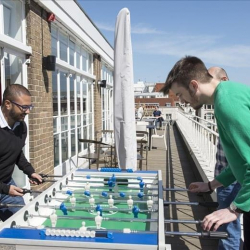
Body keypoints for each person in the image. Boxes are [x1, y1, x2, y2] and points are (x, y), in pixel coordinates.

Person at [161, 56, 250, 249]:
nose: (182, 101)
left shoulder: (227, 104)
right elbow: (240, 163)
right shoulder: (227, 95)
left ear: (194, 85)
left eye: (180, 94)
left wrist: (235, 209)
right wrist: (210, 185)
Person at [208, 67, 241, 250]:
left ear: (224, 80)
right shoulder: (222, 104)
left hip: (234, 179)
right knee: (226, 227)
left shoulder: (230, 105)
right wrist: (212, 184)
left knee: (228, 229)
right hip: (225, 176)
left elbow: (244, 158)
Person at [0, 84, 43, 221]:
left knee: (22, 221)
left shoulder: (21, 126)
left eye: (30, 107)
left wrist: (30, 171)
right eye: (24, 107)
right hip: (5, 187)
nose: (28, 111)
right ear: (8, 104)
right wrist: (6, 189)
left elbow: (15, 151)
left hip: (6, 183)